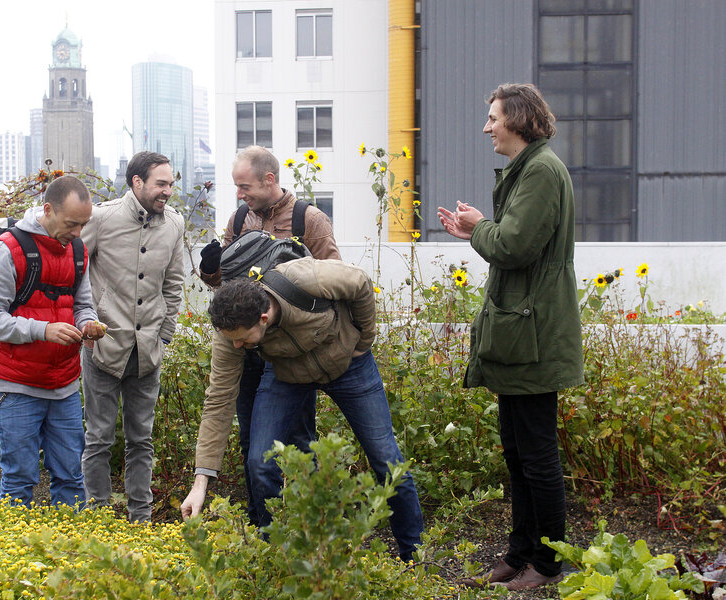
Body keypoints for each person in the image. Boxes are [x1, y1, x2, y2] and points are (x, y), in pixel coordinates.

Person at [438, 83, 584, 590]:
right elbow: (512, 241)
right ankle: (521, 552)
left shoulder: (541, 171)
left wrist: (481, 227)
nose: (487, 128)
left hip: (535, 333)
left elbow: (515, 246)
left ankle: (546, 564)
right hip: (524, 329)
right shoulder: (533, 170)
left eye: (494, 118)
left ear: (518, 120)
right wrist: (477, 230)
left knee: (537, 455)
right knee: (518, 451)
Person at [181, 257, 424, 562]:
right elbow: (218, 399)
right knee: (260, 461)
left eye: (243, 340)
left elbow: (360, 282)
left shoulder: (304, 278)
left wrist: (364, 341)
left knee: (387, 461)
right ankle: (278, 556)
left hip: (349, 364)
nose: (238, 347)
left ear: (263, 318)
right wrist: (200, 481)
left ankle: (414, 557)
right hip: (287, 375)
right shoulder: (229, 333)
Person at [197, 146, 341, 525]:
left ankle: (307, 520)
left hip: (290, 350)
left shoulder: (308, 220)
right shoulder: (238, 219)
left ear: (269, 180)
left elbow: (333, 280)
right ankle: (262, 521)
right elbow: (227, 290)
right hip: (246, 349)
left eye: (244, 186)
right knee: (251, 439)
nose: (239, 195)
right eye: (236, 188)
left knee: (298, 438)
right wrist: (210, 270)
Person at [0, 175, 105, 507]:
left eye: (83, 225)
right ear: (47, 210)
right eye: (72, 224)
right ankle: (12, 555)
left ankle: (71, 555)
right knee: (19, 480)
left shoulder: (77, 250)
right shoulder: (8, 250)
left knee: (71, 478)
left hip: (63, 386)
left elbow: (82, 303)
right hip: (16, 387)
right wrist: (43, 330)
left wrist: (87, 324)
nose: (78, 233)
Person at [79, 151, 185, 522]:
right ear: (137, 182)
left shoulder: (174, 224)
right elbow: (76, 274)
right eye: (161, 183)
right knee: (99, 438)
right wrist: (85, 325)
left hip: (148, 351)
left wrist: (165, 338)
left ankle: (140, 519)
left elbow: (173, 286)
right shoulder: (101, 218)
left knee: (142, 440)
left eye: (171, 183)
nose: (168, 191)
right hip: (102, 348)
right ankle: (100, 518)